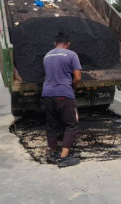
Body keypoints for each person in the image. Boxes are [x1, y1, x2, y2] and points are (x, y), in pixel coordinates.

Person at [42, 32, 81, 167]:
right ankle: (64, 158)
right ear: (68, 44)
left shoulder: (47, 55)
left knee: (51, 125)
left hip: (47, 94)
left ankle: (53, 153)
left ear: (55, 43)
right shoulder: (71, 54)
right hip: (63, 94)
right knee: (71, 124)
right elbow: (77, 78)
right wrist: (72, 87)